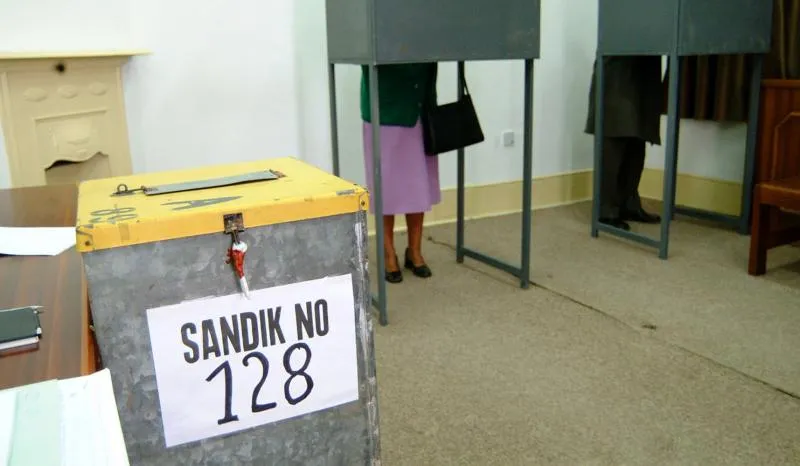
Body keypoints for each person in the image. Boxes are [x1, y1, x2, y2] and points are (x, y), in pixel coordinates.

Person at [361, 63, 440, 283]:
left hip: (419, 106)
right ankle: (388, 253)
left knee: (418, 185)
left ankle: (414, 251)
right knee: (386, 187)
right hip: (385, 109)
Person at [585, 56, 663, 230]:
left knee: (638, 137)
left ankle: (629, 204)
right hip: (618, 68)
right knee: (615, 134)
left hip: (643, 71)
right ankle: (606, 210)